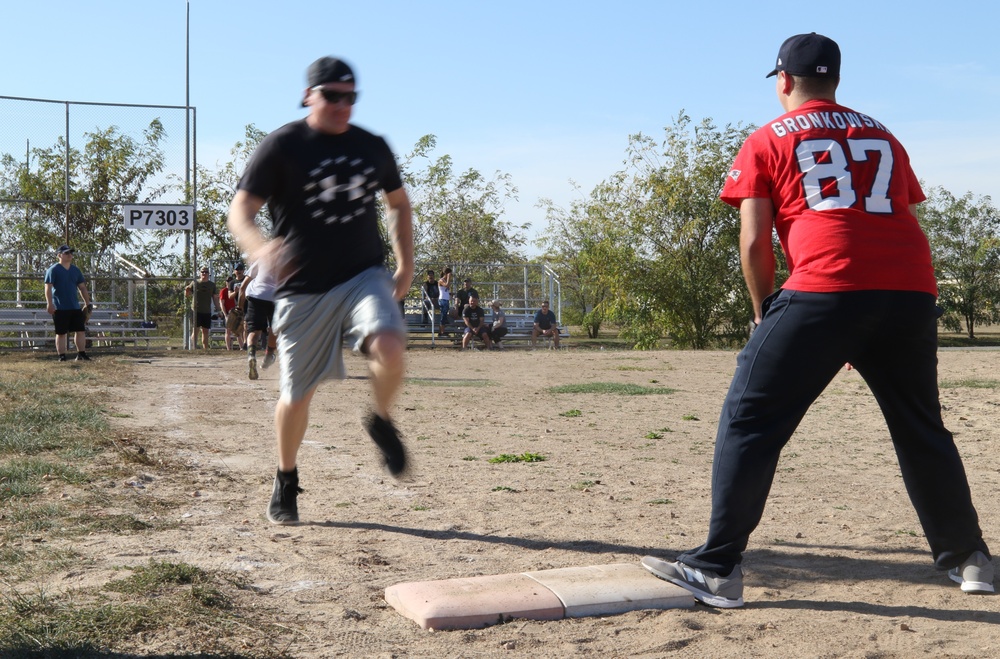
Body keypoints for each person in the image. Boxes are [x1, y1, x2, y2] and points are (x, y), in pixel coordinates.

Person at [641, 33, 993, 608]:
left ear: (783, 80)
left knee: (750, 417)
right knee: (920, 425)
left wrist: (763, 312)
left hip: (826, 286)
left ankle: (716, 568)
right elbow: (896, 212)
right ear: (835, 82)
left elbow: (755, 241)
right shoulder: (882, 133)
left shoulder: (764, 140)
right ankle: (969, 558)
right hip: (908, 289)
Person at [227, 55, 415, 526]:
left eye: (350, 97)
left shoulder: (371, 146)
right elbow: (240, 211)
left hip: (362, 274)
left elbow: (398, 204)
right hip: (302, 289)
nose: (342, 105)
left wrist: (405, 264)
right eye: (332, 95)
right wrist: (259, 247)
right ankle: (286, 477)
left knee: (390, 346)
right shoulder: (282, 146)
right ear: (309, 95)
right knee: (296, 395)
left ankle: (382, 419)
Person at [43, 244, 93, 362]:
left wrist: (87, 303)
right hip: (60, 307)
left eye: (71, 253)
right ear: (59, 255)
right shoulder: (53, 269)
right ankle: (62, 356)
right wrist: (49, 304)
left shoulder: (75, 270)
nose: (70, 255)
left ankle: (81, 354)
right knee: (61, 333)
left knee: (80, 331)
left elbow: (82, 288)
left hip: (75, 307)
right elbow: (48, 288)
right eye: (66, 253)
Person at [238, 258, 279, 380]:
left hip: (256, 295)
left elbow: (243, 287)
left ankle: (251, 355)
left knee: (254, 331)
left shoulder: (262, 259)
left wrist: (240, 308)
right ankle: (269, 355)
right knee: (274, 328)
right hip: (275, 297)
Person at [184, 266, 223, 350]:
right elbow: (187, 295)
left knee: (205, 331)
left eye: (206, 272)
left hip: (207, 311)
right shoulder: (195, 283)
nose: (204, 273)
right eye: (202, 272)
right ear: (200, 273)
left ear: (209, 274)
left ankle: (205, 350)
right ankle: (193, 348)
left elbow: (215, 298)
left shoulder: (212, 285)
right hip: (196, 311)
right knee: (196, 331)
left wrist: (219, 310)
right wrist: (186, 290)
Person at [437, 267, 452, 335]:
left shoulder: (446, 280)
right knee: (443, 315)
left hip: (446, 299)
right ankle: (442, 331)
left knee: (445, 315)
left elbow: (446, 290)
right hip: (442, 299)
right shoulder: (441, 280)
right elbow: (447, 285)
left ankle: (441, 331)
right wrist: (448, 277)